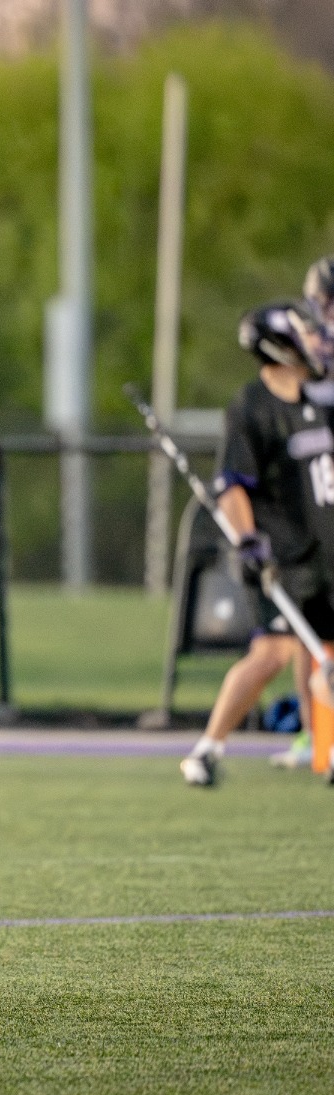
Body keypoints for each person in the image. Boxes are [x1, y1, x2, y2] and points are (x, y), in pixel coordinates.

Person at [181, 303, 334, 787]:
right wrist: (248, 541)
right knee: (272, 652)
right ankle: (206, 749)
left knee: (325, 655)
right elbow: (232, 484)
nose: (317, 341)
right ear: (279, 344)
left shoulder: (321, 401)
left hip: (326, 554)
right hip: (280, 557)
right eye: (305, 334)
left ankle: (326, 753)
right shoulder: (251, 407)